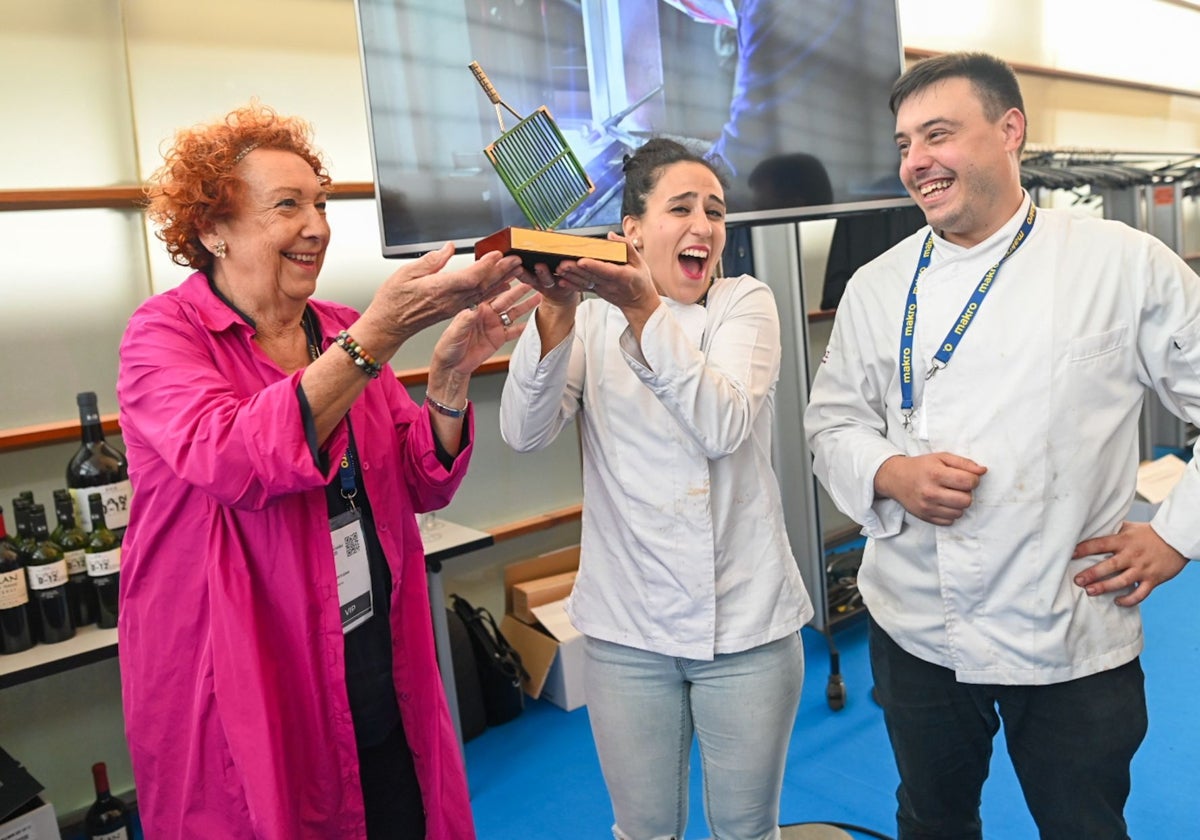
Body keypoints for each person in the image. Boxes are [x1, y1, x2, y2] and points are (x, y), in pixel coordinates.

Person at [804, 52, 1200, 839]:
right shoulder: (878, 286)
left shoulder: (1120, 264)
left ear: (1010, 131)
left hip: (1070, 620)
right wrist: (891, 470)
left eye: (938, 134)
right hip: (918, 622)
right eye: (905, 142)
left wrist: (1176, 536)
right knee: (931, 817)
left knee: (1085, 823)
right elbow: (831, 423)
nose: (916, 161)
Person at [116, 103, 535, 839]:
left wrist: (447, 373)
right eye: (288, 205)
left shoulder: (336, 329)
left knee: (396, 807)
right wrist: (380, 334)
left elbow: (418, 477)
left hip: (370, 649)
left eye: (320, 202)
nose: (316, 224)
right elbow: (236, 457)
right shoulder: (164, 337)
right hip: (249, 672)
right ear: (212, 230)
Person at [500, 138, 813, 840]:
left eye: (716, 210)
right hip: (625, 633)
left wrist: (646, 310)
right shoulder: (589, 316)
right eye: (681, 207)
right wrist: (551, 321)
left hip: (747, 629)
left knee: (747, 832)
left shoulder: (745, 302)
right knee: (643, 832)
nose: (704, 225)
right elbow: (524, 431)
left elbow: (723, 424)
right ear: (631, 232)